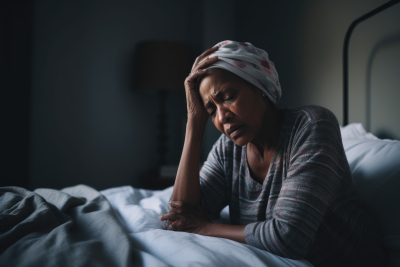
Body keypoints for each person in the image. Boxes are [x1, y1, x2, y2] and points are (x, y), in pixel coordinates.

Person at [159, 41, 386, 266]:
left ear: (260, 87)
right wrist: (194, 122)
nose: (221, 117)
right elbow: (180, 215)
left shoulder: (312, 126)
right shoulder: (227, 150)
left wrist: (204, 228)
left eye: (228, 96)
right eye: (211, 110)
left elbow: (289, 237)